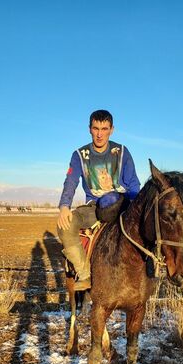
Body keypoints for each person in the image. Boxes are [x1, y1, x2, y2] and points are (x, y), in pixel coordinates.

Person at [57, 109, 140, 290]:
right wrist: (64, 206)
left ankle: (152, 269)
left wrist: (135, 210)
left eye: (104, 129)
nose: (100, 134)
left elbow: (133, 184)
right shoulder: (80, 155)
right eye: (96, 129)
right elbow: (71, 181)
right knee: (65, 226)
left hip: (123, 205)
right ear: (89, 129)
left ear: (112, 130)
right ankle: (84, 273)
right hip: (94, 208)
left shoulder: (122, 152)